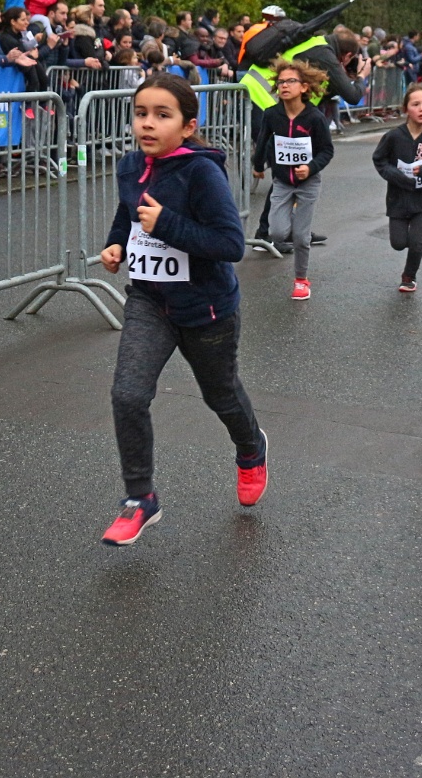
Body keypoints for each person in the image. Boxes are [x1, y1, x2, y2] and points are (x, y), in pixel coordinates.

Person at [99, 73, 268, 545]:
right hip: (149, 301)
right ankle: (140, 499)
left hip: (206, 308)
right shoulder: (131, 165)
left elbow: (230, 244)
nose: (147, 124)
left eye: (162, 115)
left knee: (221, 396)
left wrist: (168, 224)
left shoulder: (201, 173)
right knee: (128, 395)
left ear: (188, 126)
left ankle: (251, 450)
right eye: (140, 113)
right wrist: (116, 245)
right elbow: (129, 213)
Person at [252, 58, 334, 300]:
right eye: (280, 82)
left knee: (300, 237)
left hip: (308, 183)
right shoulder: (272, 114)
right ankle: (296, 228)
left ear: (304, 87)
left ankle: (301, 280)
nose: (284, 86)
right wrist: (258, 165)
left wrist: (310, 167)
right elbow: (263, 139)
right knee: (277, 233)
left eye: (290, 81)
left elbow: (327, 150)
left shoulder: (314, 117)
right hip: (282, 181)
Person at [372, 83, 422, 292]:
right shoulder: (394, 136)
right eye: (416, 104)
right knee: (398, 243)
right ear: (406, 108)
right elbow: (380, 160)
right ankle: (406, 248)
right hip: (397, 198)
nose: (421, 108)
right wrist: (395, 175)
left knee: (416, 242)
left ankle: (409, 276)